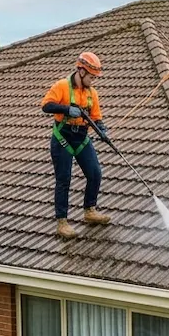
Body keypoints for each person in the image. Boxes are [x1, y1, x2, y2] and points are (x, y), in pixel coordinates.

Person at [40, 51, 112, 238]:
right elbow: (46, 105)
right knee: (64, 179)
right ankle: (62, 222)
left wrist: (103, 130)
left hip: (81, 138)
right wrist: (66, 109)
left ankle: (90, 210)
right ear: (81, 71)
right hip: (62, 138)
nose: (92, 80)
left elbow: (96, 118)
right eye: (91, 76)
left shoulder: (92, 94)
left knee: (95, 173)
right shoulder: (62, 86)